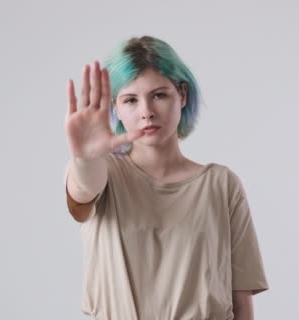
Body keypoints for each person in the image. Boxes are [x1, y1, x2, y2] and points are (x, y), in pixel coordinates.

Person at [63, 35, 268, 320]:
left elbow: (241, 301)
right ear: (115, 107)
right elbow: (83, 189)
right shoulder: (104, 173)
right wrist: (85, 158)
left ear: (182, 95)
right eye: (130, 99)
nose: (146, 112)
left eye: (159, 95)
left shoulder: (221, 184)